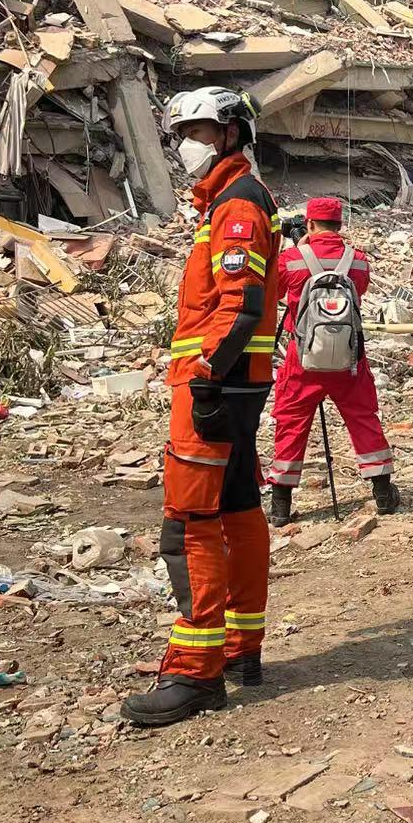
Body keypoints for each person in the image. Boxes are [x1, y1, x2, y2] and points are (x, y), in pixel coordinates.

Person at [123, 88, 280, 726]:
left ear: (233, 135)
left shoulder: (237, 206)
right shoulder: (229, 202)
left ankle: (196, 672)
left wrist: (208, 379)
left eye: (202, 131)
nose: (189, 142)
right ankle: (243, 648)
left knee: (189, 523)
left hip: (215, 382)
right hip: (240, 379)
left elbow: (238, 304)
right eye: (183, 130)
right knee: (239, 506)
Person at [266, 197, 399, 523]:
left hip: (304, 359)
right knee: (363, 418)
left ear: (310, 224)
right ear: (340, 226)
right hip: (349, 358)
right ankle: (383, 493)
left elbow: (276, 290)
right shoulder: (358, 261)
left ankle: (281, 505)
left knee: (291, 422)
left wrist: (300, 247)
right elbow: (361, 290)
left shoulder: (292, 259)